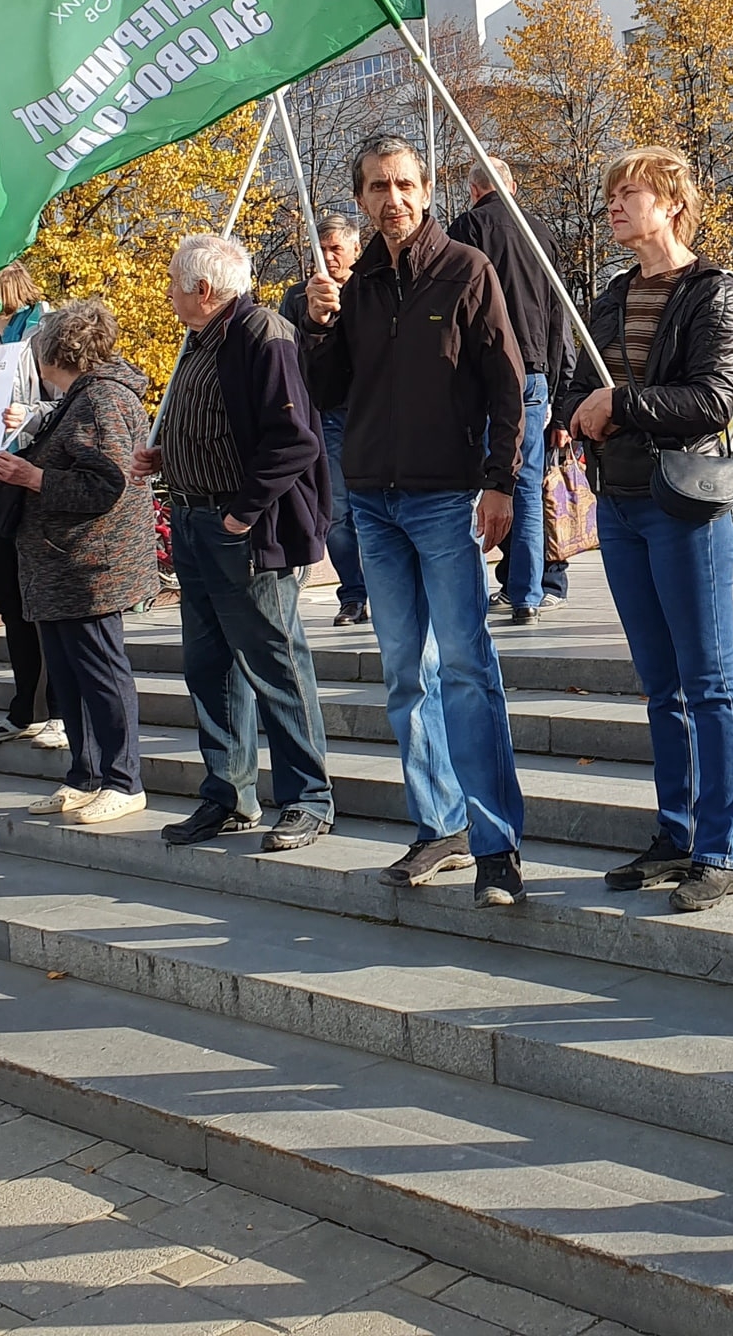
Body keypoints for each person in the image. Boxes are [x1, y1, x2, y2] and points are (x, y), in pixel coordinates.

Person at [300, 136, 530, 906]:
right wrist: (319, 325)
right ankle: (441, 825)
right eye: (376, 187)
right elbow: (330, 392)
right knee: (407, 676)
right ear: (361, 199)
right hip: (373, 499)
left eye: (403, 185)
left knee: (466, 669)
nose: (391, 199)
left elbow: (507, 386)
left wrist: (500, 483)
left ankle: (497, 844)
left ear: (427, 191)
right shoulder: (353, 282)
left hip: (442, 499)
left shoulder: (466, 269)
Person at [556, 146, 733, 914]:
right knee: (659, 683)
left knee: (709, 678)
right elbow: (583, 381)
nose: (614, 206)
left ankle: (721, 847)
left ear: (672, 204)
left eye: (628, 193)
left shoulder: (714, 294)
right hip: (622, 499)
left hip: (687, 501)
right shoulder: (608, 298)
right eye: (610, 195)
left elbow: (712, 399)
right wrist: (572, 413)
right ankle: (675, 833)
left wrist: (621, 407)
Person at [134, 234, 336, 853]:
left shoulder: (262, 334)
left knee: (275, 664)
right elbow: (228, 427)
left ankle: (308, 800)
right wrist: (170, 455)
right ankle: (228, 795)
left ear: (203, 289)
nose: (165, 292)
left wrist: (241, 517)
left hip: (239, 529)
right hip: (196, 521)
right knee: (209, 666)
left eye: (172, 281)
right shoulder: (202, 339)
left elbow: (294, 439)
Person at [0, 301, 160, 825]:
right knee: (69, 672)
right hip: (61, 564)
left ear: (57, 351)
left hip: (89, 564)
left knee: (100, 670)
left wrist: (31, 478)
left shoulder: (100, 399)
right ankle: (85, 773)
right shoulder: (80, 397)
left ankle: (124, 780)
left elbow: (107, 484)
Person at [450, 156, 573, 626]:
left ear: (473, 191)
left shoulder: (468, 228)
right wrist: (559, 396)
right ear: (513, 187)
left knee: (476, 480)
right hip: (535, 373)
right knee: (526, 484)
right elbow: (560, 315)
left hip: (483, 371)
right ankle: (527, 594)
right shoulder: (542, 233)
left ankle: (477, 592)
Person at [0, 264, 63, 752]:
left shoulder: (45, 327)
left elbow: (69, 402)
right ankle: (25, 706)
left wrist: (29, 414)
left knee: (42, 599)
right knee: (8, 599)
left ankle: (61, 710)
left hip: (34, 477)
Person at [281, 214, 371, 625]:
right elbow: (288, 356)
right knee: (337, 512)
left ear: (354, 249)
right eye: (321, 248)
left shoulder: (371, 288)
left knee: (374, 506)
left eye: (337, 248)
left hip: (371, 411)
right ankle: (352, 593)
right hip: (326, 415)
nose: (329, 257)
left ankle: (383, 587)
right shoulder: (298, 296)